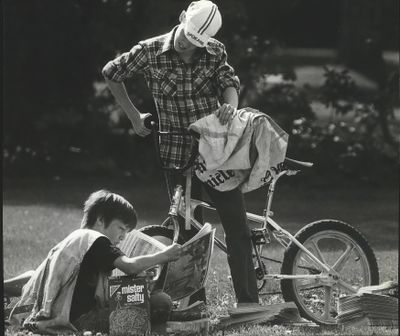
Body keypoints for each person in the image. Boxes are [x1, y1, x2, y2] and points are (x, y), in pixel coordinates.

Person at [102, 0, 259, 307]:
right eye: (187, 37)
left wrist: (231, 105)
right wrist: (134, 116)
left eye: (196, 43)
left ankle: (248, 304)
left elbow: (229, 83)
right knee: (187, 234)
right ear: (182, 18)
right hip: (176, 155)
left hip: (217, 155)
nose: (189, 46)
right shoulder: (149, 51)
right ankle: (194, 304)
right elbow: (111, 72)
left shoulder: (214, 51)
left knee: (238, 228)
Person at [7, 190, 181, 334]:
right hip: (82, 322)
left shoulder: (76, 241)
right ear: (100, 220)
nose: (122, 237)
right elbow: (130, 266)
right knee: (161, 301)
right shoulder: (97, 240)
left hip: (67, 317)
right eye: (121, 228)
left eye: (126, 232)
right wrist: (165, 255)